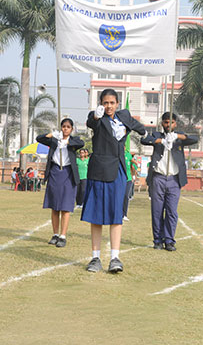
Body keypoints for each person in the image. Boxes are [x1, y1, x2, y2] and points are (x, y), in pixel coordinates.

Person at [81, 89, 147, 273]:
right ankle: (95, 258)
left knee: (116, 215)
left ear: (117, 103)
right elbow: (91, 122)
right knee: (96, 216)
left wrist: (128, 125)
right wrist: (96, 115)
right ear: (101, 103)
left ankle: (115, 258)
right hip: (98, 170)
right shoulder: (97, 117)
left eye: (112, 103)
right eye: (105, 103)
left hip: (118, 171)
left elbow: (141, 129)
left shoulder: (123, 116)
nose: (108, 106)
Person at [139, 114, 197, 251]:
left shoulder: (179, 137)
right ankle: (158, 240)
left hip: (174, 179)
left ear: (175, 124)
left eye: (171, 123)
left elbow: (195, 139)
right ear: (162, 123)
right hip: (158, 177)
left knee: (171, 211)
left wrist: (178, 137)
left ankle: (169, 240)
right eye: (166, 122)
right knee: (157, 211)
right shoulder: (156, 135)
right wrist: (161, 141)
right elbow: (145, 140)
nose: (168, 125)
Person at [35, 119, 83, 247]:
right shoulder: (54, 140)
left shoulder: (74, 141)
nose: (65, 129)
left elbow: (81, 143)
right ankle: (55, 234)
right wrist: (50, 135)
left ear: (71, 129)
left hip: (68, 174)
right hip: (55, 172)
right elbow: (39, 138)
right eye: (63, 126)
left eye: (68, 127)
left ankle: (63, 235)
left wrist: (67, 142)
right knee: (54, 206)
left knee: (65, 207)